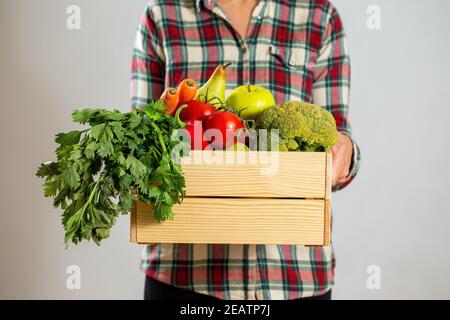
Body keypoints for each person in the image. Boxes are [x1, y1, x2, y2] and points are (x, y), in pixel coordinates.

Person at [131, 0, 361, 300]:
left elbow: (335, 129)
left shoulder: (319, 15)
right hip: (183, 275)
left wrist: (345, 154)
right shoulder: (162, 14)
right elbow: (139, 136)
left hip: (295, 276)